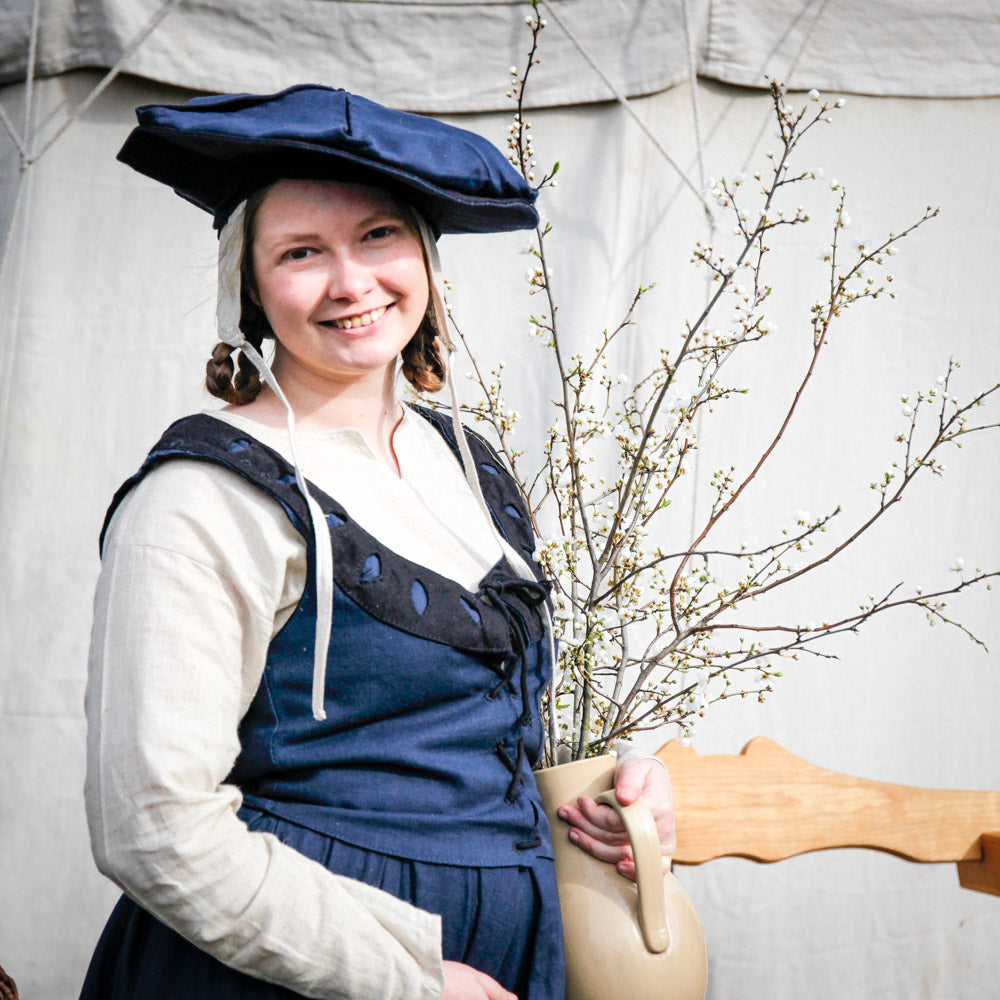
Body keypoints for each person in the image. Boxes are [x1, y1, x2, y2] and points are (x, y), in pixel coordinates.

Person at [80, 85, 674, 1000]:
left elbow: (484, 739)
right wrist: (404, 978)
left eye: (379, 238)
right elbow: (152, 826)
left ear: (427, 262)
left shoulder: (466, 466)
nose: (351, 284)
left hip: (508, 963)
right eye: (302, 252)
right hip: (298, 975)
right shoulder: (200, 499)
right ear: (250, 284)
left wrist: (613, 800)